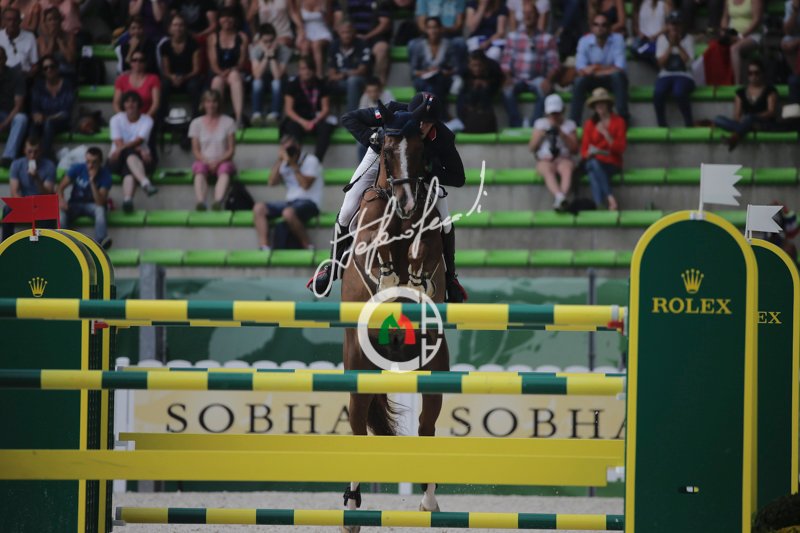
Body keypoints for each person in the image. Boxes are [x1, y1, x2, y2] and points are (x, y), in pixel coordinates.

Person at [306, 92, 468, 303]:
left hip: (417, 172)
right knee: (347, 209)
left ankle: (451, 278)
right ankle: (332, 266)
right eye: (419, 121)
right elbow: (349, 118)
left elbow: (458, 177)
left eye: (428, 123)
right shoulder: (392, 111)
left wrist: (428, 171)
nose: (421, 127)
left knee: (445, 220)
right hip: (379, 157)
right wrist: (373, 138)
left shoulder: (443, 137)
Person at [253, 134, 322, 250]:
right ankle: (264, 246)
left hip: (310, 202)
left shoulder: (311, 160)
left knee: (288, 213)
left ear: (298, 146)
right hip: (290, 202)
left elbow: (305, 185)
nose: (289, 151)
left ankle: (307, 245)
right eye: (285, 148)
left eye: (290, 148)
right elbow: (271, 182)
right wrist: (280, 160)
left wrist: (294, 165)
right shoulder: (284, 163)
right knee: (259, 208)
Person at [499, 1, 559, 126]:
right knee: (506, 90)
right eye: (525, 13)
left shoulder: (547, 38)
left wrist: (548, 80)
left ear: (537, 16)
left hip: (537, 78)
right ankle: (516, 124)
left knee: (546, 89)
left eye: (531, 13)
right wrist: (507, 77)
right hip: (516, 78)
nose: (527, 16)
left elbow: (554, 65)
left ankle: (534, 124)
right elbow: (505, 63)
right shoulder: (513, 37)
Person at [570, 12, 629, 124]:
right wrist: (607, 68)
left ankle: (623, 120)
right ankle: (573, 123)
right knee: (579, 81)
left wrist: (595, 67)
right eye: (596, 25)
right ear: (591, 28)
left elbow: (620, 68)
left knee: (618, 77)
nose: (600, 28)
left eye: (603, 25)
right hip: (592, 80)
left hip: (611, 80)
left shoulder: (618, 39)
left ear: (609, 28)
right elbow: (581, 70)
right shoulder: (584, 41)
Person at [713, 58, 778, 151]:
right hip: (745, 123)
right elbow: (737, 116)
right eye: (750, 73)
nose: (753, 76)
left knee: (750, 117)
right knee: (718, 119)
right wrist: (745, 121)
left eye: (756, 73)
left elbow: (771, 112)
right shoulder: (741, 92)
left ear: (762, 73)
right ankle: (746, 128)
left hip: (763, 123)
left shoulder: (770, 90)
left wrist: (753, 117)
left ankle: (734, 139)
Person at [110, 91, 157, 213]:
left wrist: (135, 148)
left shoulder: (147, 120)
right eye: (127, 102)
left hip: (141, 160)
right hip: (117, 158)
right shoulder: (116, 119)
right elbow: (118, 143)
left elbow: (139, 140)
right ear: (123, 104)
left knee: (129, 166)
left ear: (139, 104)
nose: (130, 104)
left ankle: (128, 200)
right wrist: (139, 149)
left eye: (133, 101)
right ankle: (145, 183)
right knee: (129, 153)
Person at [189, 90, 237, 211]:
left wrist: (218, 161)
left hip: (223, 159)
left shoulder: (229, 122)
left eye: (214, 102)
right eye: (208, 102)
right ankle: (201, 202)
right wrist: (206, 161)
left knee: (225, 170)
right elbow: (195, 150)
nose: (211, 105)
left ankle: (218, 202)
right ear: (203, 104)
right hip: (204, 160)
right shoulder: (196, 123)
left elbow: (231, 149)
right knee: (199, 171)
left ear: (219, 103)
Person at [528, 94, 578, 210]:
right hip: (545, 159)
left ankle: (561, 198)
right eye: (552, 113)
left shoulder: (570, 125)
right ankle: (560, 197)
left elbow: (575, 149)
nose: (555, 116)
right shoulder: (540, 124)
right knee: (546, 169)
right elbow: (532, 147)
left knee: (567, 169)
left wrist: (562, 134)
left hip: (564, 158)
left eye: (557, 113)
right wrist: (542, 135)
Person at [580, 88, 626, 210]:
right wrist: (590, 153)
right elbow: (584, 150)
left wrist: (606, 134)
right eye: (597, 103)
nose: (599, 105)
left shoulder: (619, 122)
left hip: (612, 162)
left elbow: (620, 148)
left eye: (602, 102)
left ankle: (601, 203)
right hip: (595, 160)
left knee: (592, 169)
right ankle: (609, 199)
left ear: (608, 104)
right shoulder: (590, 124)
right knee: (593, 164)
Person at [57, 146, 112, 248]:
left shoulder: (105, 175)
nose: (90, 165)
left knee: (100, 210)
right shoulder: (78, 168)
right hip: (75, 204)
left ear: (100, 162)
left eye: (94, 162)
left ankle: (101, 242)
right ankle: (65, 242)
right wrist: (61, 200)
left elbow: (99, 202)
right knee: (60, 212)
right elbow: (60, 187)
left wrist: (92, 182)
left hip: (93, 205)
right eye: (88, 162)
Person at [282, 55, 334, 162]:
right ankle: (295, 161)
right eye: (303, 69)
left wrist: (314, 121)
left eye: (309, 68)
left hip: (316, 119)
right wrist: (303, 122)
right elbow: (288, 110)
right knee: (291, 127)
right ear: (299, 71)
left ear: (314, 70)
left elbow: (325, 109)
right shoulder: (291, 85)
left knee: (325, 128)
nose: (306, 72)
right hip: (298, 119)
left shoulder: (322, 84)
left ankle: (316, 162)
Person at [2, 137, 55, 241]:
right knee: (7, 209)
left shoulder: (49, 166)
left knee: (50, 213)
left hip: (42, 204)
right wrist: (24, 206)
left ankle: (47, 244)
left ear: (40, 151)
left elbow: (48, 193)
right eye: (30, 151)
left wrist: (37, 178)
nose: (33, 155)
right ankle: (6, 244)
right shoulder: (17, 164)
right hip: (24, 202)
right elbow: (14, 192)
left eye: (36, 152)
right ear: (24, 150)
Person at [207, 7, 249, 129]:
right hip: (217, 72)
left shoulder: (242, 37)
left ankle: (239, 118)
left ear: (235, 19)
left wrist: (232, 70)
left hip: (237, 71)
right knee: (217, 81)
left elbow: (242, 61)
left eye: (230, 17)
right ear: (219, 20)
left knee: (234, 76)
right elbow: (213, 62)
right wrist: (221, 73)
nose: (227, 20)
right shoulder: (213, 37)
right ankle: (216, 118)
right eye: (224, 17)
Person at [333, 0, 392, 84]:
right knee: (340, 41)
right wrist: (349, 34)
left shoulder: (381, 2)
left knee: (382, 48)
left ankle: (379, 84)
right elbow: (338, 23)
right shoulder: (343, 1)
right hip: (351, 36)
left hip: (373, 36)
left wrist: (367, 36)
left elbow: (384, 24)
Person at [653, 11, 695, 127]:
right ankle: (661, 124)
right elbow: (660, 63)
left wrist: (679, 45)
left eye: (677, 24)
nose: (675, 27)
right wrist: (670, 46)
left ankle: (689, 123)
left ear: (682, 25)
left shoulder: (689, 38)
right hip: (665, 73)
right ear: (667, 25)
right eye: (672, 24)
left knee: (679, 92)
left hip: (685, 74)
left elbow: (689, 63)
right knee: (658, 93)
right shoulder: (662, 39)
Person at [159, 13, 203, 121]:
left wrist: (184, 78)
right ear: (170, 28)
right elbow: (165, 70)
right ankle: (162, 118)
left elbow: (196, 69)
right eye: (175, 25)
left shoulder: (193, 44)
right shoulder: (165, 46)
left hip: (189, 76)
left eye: (181, 25)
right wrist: (172, 77)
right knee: (164, 85)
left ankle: (196, 118)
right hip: (172, 78)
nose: (178, 28)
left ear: (185, 27)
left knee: (194, 86)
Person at [30, 54, 74, 160]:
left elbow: (66, 111)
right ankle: (31, 158)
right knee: (33, 126)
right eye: (45, 68)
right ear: (42, 72)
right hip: (43, 121)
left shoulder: (67, 84)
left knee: (48, 124)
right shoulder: (39, 86)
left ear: (57, 68)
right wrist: (36, 115)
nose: (49, 70)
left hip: (61, 121)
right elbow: (35, 107)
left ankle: (45, 157)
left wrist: (47, 118)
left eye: (52, 67)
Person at [409, 16, 459, 105]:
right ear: (426, 30)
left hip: (442, 78)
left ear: (440, 29)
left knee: (438, 83)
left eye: (435, 27)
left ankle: (428, 109)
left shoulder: (448, 45)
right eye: (430, 28)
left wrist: (442, 71)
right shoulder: (419, 46)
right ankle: (434, 110)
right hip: (424, 79)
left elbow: (455, 68)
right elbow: (414, 71)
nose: (433, 31)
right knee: (427, 86)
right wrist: (426, 71)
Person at [250, 23, 291, 125]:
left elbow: (278, 76)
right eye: (265, 41)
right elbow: (257, 75)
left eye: (271, 41)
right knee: (256, 82)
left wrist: (272, 57)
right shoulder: (255, 50)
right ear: (260, 41)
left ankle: (275, 114)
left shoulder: (285, 50)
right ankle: (257, 114)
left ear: (276, 39)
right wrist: (265, 56)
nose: (268, 44)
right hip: (263, 78)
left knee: (276, 83)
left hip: (279, 79)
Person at [328, 20, 371, 113]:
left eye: (348, 32)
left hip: (361, 80)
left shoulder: (362, 44)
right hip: (341, 81)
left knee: (353, 81)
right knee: (325, 84)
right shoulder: (334, 45)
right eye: (343, 32)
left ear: (354, 32)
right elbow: (332, 75)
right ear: (339, 33)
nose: (346, 35)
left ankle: (351, 116)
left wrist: (344, 74)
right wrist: (341, 75)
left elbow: (362, 70)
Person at [456, 49, 501, 132]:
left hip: (489, 89)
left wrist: (487, 83)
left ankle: (486, 123)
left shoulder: (494, 68)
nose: (477, 68)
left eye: (479, 65)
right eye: (474, 65)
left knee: (484, 92)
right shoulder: (464, 70)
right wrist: (473, 83)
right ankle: (462, 121)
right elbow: (464, 83)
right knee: (463, 96)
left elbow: (498, 83)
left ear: (485, 64)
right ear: (469, 64)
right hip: (470, 89)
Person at [721, 0, 763, 84]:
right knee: (715, 46)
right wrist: (725, 31)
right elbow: (725, 17)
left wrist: (741, 36)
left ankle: (737, 84)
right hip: (733, 34)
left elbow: (757, 19)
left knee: (735, 48)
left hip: (752, 35)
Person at [112, 49, 161, 120]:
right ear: (130, 63)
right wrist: (124, 119)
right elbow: (116, 103)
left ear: (145, 63)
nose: (137, 63)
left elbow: (155, 103)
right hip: (125, 119)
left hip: (146, 119)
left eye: (141, 60)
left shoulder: (153, 79)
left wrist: (144, 120)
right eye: (134, 60)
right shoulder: (121, 79)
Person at [0, 47, 28, 168]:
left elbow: (18, 106)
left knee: (21, 118)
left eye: (0, 58)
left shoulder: (16, 76)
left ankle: (8, 157)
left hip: (10, 114)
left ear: (5, 59)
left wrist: (4, 124)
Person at [35, 7, 76, 77]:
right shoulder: (41, 39)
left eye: (55, 19)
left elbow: (70, 59)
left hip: (67, 72)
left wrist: (60, 42)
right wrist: (52, 39)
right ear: (45, 23)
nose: (53, 22)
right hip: (48, 73)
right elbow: (45, 60)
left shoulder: (70, 36)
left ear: (60, 21)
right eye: (50, 20)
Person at [297, 0, 332, 79]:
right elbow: (299, 21)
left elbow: (329, 21)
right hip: (307, 32)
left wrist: (323, 12)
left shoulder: (324, 1)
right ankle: (304, 74)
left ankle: (319, 75)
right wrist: (300, 34)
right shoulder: (301, 2)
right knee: (304, 46)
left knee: (316, 45)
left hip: (322, 31)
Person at [0, 7, 38, 78]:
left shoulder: (30, 37)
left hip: (23, 77)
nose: (12, 23)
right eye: (9, 20)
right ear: (4, 21)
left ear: (20, 21)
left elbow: (35, 65)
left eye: (15, 20)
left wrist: (29, 74)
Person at [631, 0, 667, 65]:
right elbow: (635, 23)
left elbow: (669, 25)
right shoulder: (640, 3)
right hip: (643, 39)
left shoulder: (664, 4)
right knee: (635, 48)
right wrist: (639, 33)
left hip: (658, 40)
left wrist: (656, 35)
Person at [783, 0, 800, 77]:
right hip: (797, 35)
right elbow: (788, 31)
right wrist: (795, 10)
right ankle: (797, 75)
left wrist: (797, 42)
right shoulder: (790, 4)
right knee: (786, 42)